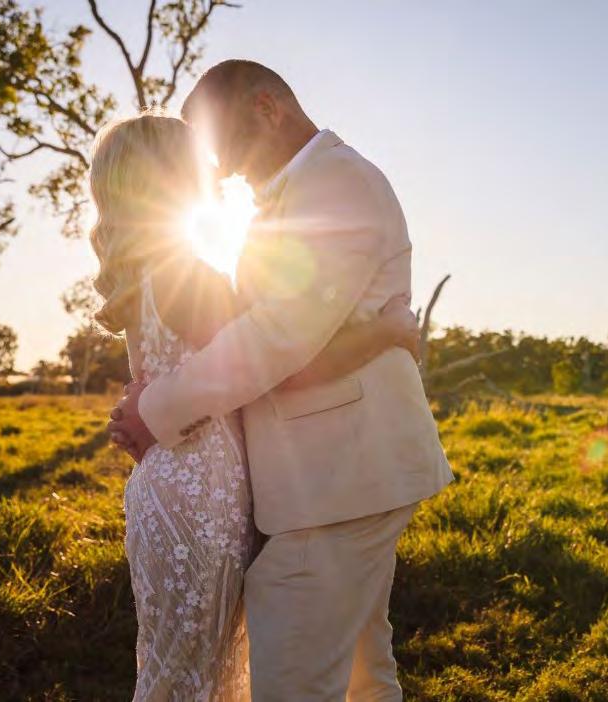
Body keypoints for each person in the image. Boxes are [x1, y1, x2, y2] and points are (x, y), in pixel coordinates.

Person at [108, 60, 454, 700]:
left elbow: (277, 339)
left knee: (292, 680)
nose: (220, 170)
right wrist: (382, 332)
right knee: (363, 672)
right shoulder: (286, 199)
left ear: (268, 108)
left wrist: (155, 408)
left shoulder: (337, 182)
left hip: (340, 476)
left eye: (224, 146)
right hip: (326, 479)